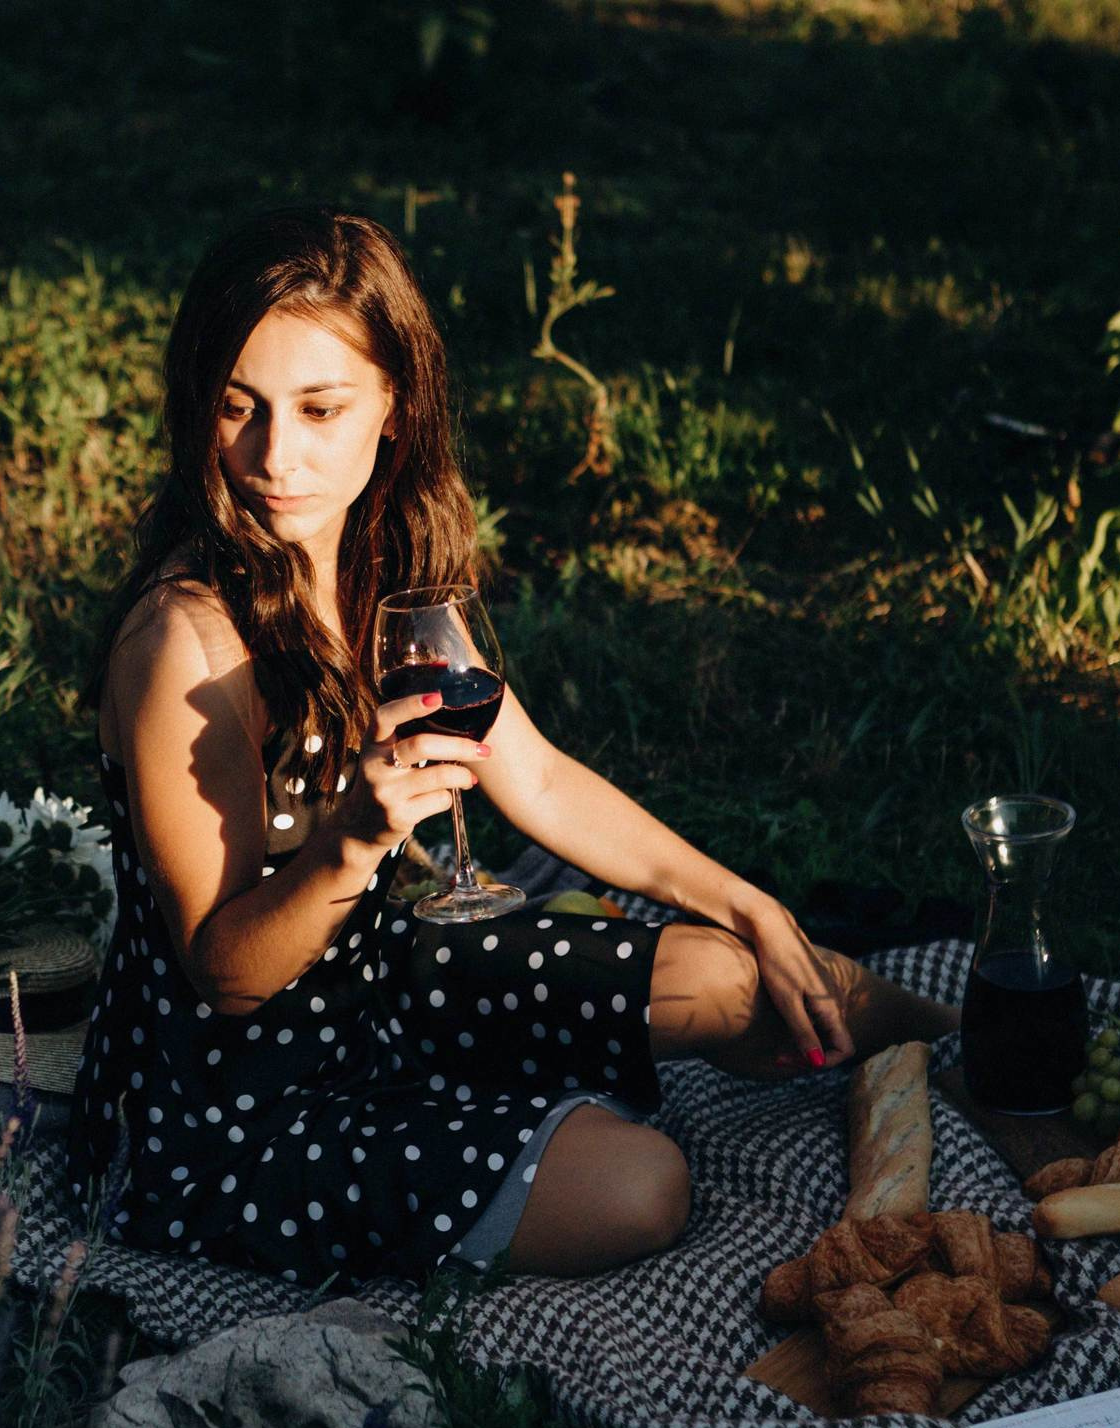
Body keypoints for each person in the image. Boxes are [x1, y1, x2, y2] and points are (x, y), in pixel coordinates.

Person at [61, 206, 959, 1289]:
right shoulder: (185, 646)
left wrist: (744, 898)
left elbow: (524, 769)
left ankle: (979, 1044)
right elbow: (227, 978)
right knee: (643, 1189)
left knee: (733, 977)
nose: (274, 457)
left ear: (394, 405)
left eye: (319, 408)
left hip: (380, 981)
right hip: (229, 1106)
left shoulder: (376, 567)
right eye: (237, 408)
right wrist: (349, 843)